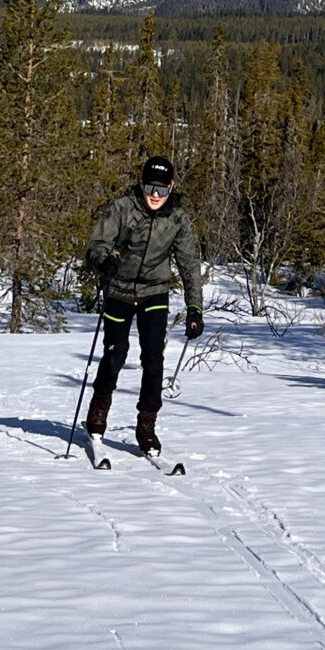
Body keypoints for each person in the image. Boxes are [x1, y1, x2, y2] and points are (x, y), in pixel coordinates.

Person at [84, 153, 204, 453]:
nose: (155, 195)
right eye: (151, 187)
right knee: (115, 354)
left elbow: (189, 264)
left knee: (153, 359)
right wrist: (103, 262)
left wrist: (195, 308)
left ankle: (147, 426)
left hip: (154, 291)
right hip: (120, 290)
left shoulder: (177, 218)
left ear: (172, 188)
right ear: (142, 184)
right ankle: (98, 414)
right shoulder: (123, 207)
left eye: (162, 189)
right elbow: (98, 245)